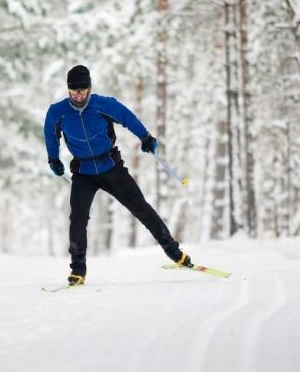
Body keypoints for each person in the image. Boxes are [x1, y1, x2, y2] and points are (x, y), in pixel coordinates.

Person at [43, 65, 192, 286]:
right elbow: (50, 134)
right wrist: (53, 159)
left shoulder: (104, 105)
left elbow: (128, 118)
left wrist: (146, 137)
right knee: (77, 218)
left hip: (110, 166)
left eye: (83, 91)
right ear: (68, 90)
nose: (78, 96)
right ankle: (78, 271)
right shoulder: (58, 112)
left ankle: (175, 252)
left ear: (89, 88)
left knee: (141, 208)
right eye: (74, 91)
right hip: (83, 172)